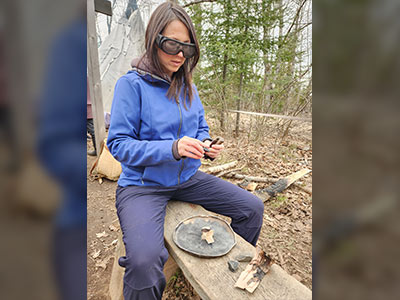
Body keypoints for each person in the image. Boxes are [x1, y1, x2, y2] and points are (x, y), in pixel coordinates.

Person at [107, 2, 264, 300]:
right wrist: (173, 148)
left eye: (188, 48)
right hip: (143, 186)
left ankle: (218, 274)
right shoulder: (131, 86)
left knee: (251, 208)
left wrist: (206, 147)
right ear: (154, 40)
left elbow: (201, 128)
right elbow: (118, 145)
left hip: (187, 179)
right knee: (143, 262)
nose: (180, 54)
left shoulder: (188, 87)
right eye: (172, 44)